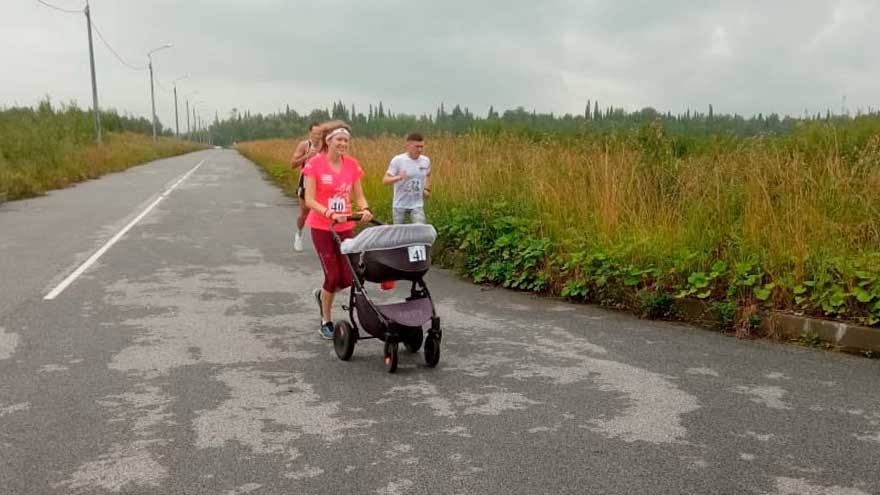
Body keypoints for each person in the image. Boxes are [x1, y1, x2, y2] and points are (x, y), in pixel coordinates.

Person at [302, 121, 373, 339]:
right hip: (322, 227)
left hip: (345, 226)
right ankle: (326, 319)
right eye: (339, 139)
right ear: (328, 141)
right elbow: (309, 199)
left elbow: (358, 194)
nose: (343, 143)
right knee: (332, 276)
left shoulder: (352, 165)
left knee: (348, 278)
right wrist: (330, 213)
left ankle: (323, 294)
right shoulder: (315, 164)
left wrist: (365, 209)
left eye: (346, 140)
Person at [383, 132, 431, 224]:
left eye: (422, 147)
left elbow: (428, 174)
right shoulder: (398, 160)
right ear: (408, 145)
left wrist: (426, 189)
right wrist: (398, 177)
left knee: (420, 230)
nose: (420, 149)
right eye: (417, 146)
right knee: (398, 233)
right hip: (399, 205)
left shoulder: (426, 161)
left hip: (417, 204)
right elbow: (385, 181)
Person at [290, 122, 323, 251]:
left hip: (322, 183)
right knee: (305, 213)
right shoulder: (304, 145)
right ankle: (299, 234)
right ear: (310, 133)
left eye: (320, 134)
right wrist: (307, 156)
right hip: (305, 182)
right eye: (315, 134)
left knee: (324, 214)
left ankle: (324, 241)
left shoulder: (326, 145)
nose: (317, 136)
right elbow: (293, 164)